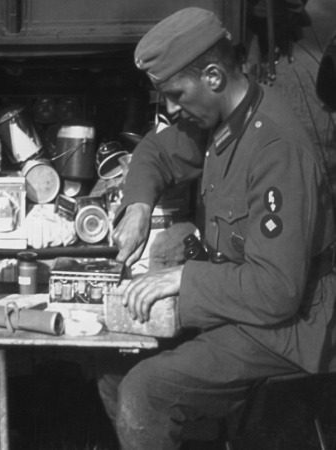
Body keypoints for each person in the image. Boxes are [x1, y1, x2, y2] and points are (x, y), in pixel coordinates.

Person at [97, 7, 336, 449]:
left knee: (145, 392)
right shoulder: (223, 117)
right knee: (112, 370)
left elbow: (276, 292)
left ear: (212, 76)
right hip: (237, 305)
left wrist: (182, 279)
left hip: (285, 330)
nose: (171, 109)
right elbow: (155, 151)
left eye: (175, 94)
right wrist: (138, 206)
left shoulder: (276, 147)